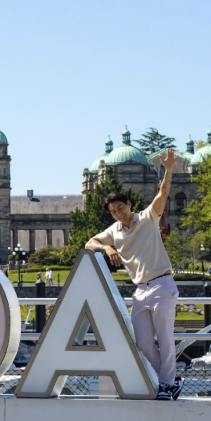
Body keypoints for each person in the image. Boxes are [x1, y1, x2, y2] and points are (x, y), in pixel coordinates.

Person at [86, 147, 180, 400]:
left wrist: (168, 169)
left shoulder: (149, 218)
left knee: (166, 338)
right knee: (144, 344)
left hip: (162, 284)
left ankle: (168, 385)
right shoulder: (114, 231)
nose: (118, 213)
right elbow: (89, 242)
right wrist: (106, 247)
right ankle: (171, 379)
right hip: (140, 291)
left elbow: (163, 193)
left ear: (129, 204)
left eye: (120, 208)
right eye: (113, 211)